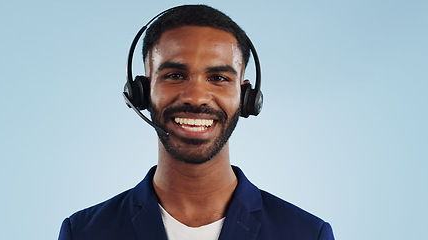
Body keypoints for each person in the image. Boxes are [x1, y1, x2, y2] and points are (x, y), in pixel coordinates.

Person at [58, 5, 334, 240]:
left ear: (246, 96)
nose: (196, 97)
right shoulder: (83, 232)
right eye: (175, 75)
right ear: (141, 91)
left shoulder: (307, 233)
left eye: (218, 78)